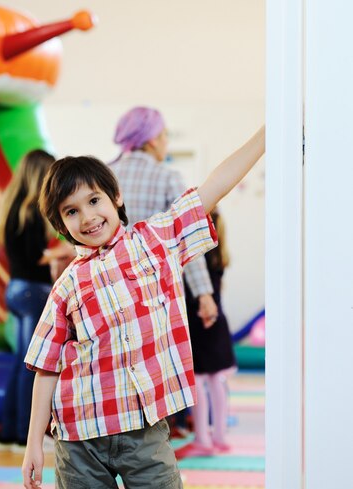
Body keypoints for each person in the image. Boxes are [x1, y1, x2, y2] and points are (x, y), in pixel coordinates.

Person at [21, 126, 265, 488]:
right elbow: (46, 368)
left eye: (94, 201)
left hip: (144, 429)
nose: (87, 217)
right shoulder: (66, 285)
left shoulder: (155, 241)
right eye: (71, 212)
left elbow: (212, 188)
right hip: (79, 437)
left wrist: (265, 135)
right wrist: (33, 446)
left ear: (116, 196)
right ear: (61, 225)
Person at [109, 106, 219, 437]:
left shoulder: (104, 172)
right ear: (154, 139)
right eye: (166, 135)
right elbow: (185, 235)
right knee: (157, 365)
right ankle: (157, 434)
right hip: (157, 290)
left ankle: (117, 431)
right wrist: (204, 292)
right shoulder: (167, 176)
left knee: (117, 362)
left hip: (111, 287)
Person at [0, 149, 73, 453]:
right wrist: (63, 251)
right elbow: (35, 257)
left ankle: (7, 434)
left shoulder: (10, 207)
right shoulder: (30, 211)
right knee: (34, 367)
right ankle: (27, 437)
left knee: (19, 365)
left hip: (15, 289)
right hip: (31, 291)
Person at [179, 208, 237, 457]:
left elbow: (195, 292)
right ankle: (219, 437)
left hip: (200, 321)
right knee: (216, 381)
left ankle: (203, 438)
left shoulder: (199, 253)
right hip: (216, 323)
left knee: (198, 381)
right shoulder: (219, 254)